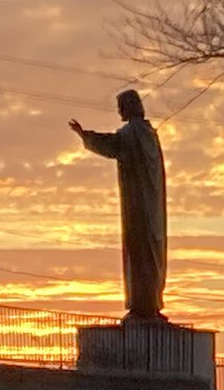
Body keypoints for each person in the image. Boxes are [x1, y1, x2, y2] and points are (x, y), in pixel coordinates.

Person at [69, 90, 167, 320]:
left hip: (137, 204)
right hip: (152, 206)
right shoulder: (149, 133)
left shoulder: (132, 133)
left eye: (120, 106)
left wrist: (85, 135)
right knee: (152, 255)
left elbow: (112, 145)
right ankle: (151, 303)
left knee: (138, 253)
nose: (119, 111)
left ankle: (142, 305)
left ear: (128, 107)